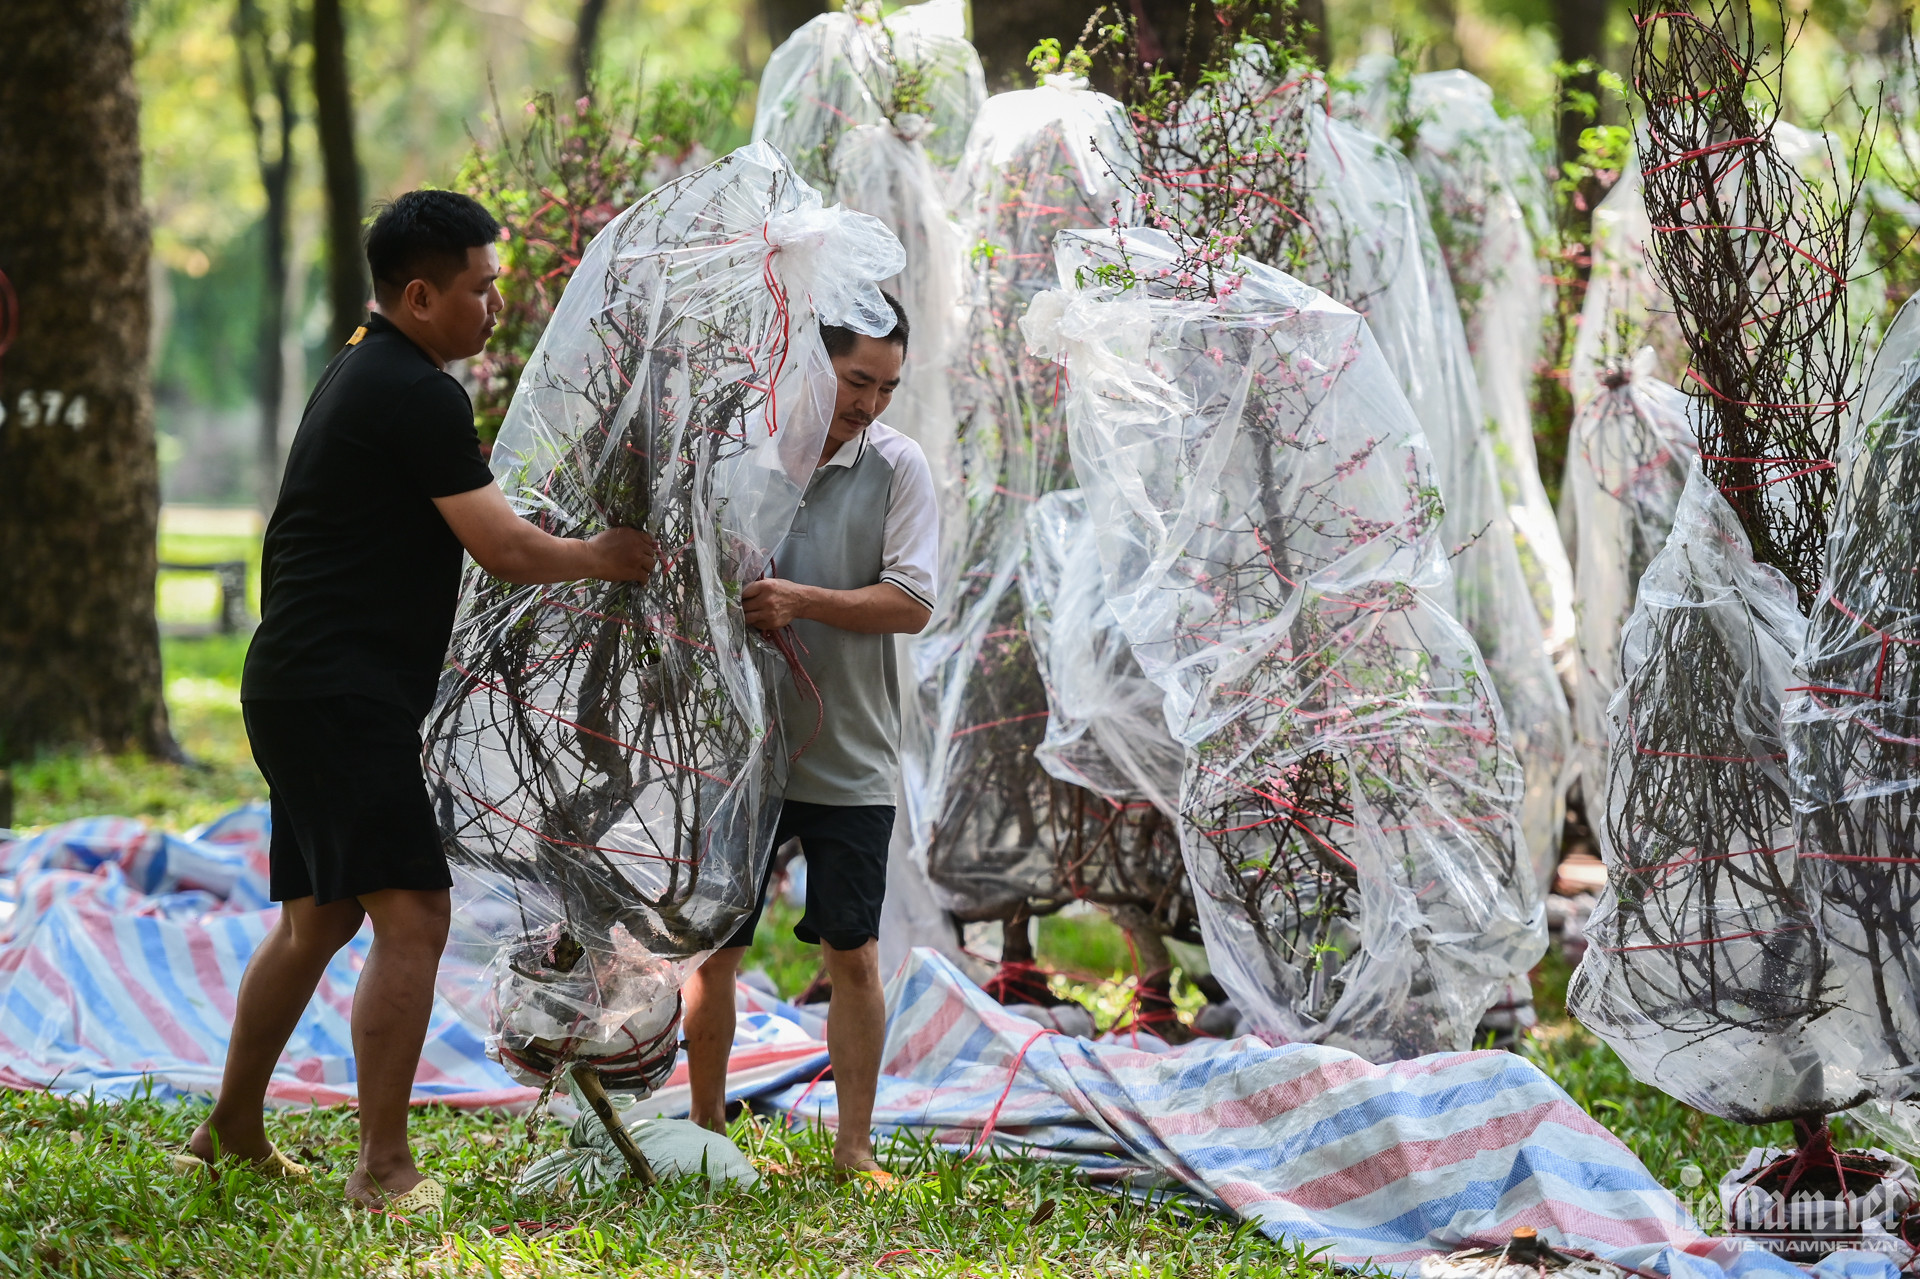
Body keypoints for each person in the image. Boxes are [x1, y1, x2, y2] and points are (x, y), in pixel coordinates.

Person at [180, 190, 658, 1212]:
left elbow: (464, 520)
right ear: (419, 292)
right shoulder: (414, 390)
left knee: (317, 920)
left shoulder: (366, 367)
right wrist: (610, 556)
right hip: (339, 689)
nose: (496, 307)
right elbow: (507, 548)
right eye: (483, 288)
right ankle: (383, 1169)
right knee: (416, 917)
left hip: (302, 680)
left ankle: (228, 1130)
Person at [680, 295, 937, 1181]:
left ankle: (853, 1147)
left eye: (887, 387)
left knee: (853, 952)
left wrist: (802, 600)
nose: (870, 403)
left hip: (851, 753)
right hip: (738, 753)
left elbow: (911, 599)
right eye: (857, 379)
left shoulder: (900, 468)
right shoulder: (743, 455)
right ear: (810, 365)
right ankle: (708, 1132)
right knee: (716, 949)